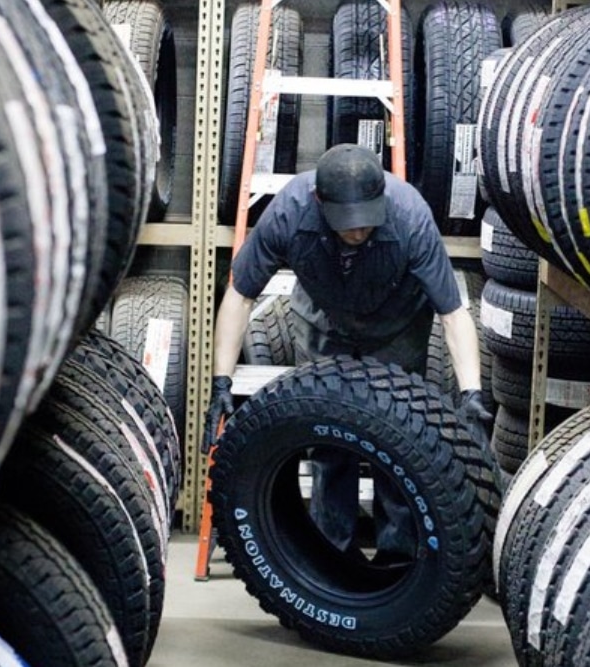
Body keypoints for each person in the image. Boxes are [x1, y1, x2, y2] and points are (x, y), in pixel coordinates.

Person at [202, 143, 491, 563]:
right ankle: (331, 557)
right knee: (328, 438)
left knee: (398, 437)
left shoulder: (411, 217)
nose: (358, 232)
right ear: (320, 202)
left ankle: (398, 556)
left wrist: (472, 395)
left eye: (366, 222)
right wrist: (221, 381)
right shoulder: (288, 213)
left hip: (396, 329)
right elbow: (240, 297)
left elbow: (452, 313)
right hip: (324, 325)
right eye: (347, 224)